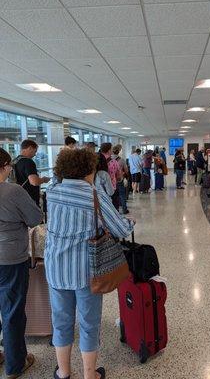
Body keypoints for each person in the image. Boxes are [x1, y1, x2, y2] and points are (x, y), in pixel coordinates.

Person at [45, 149, 134, 379]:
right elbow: (119, 228)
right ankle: (89, 374)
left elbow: (56, 180)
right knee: (88, 323)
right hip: (87, 272)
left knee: (61, 321)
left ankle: (63, 372)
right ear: (89, 170)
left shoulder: (52, 192)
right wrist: (130, 222)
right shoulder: (93, 194)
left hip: (56, 269)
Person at [0, 148, 43, 379]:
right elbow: (35, 218)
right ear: (5, 166)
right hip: (9, 257)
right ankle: (15, 364)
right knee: (12, 311)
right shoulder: (12, 191)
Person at [15, 139, 50, 206]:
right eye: (35, 151)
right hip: (30, 198)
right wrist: (44, 180)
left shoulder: (15, 161)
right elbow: (34, 182)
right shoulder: (28, 162)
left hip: (19, 196)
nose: (35, 154)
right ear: (30, 148)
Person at [100, 143, 122, 210]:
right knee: (114, 207)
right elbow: (119, 177)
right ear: (109, 150)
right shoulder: (113, 162)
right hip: (112, 187)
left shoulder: (96, 160)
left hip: (99, 189)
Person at [112, 144, 129, 214]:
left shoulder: (108, 160)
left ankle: (115, 211)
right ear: (118, 152)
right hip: (120, 179)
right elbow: (126, 170)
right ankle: (124, 209)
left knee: (113, 196)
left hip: (111, 181)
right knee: (122, 194)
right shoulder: (122, 160)